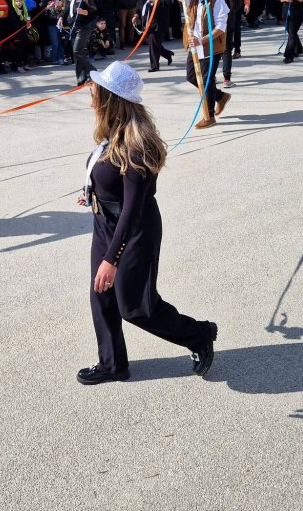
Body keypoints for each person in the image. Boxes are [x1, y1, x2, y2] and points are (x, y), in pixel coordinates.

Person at [76, 61, 218, 384]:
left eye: (95, 91)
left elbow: (132, 210)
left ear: (112, 99)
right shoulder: (112, 132)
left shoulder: (136, 146)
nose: (91, 97)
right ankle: (113, 364)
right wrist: (92, 191)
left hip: (134, 229)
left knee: (136, 307)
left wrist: (112, 259)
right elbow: (103, 173)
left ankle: (199, 335)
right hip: (105, 221)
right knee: (101, 294)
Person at [168, 0, 229, 129]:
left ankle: (209, 115)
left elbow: (221, 27)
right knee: (191, 76)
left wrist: (201, 40)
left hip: (210, 46)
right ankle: (220, 96)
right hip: (194, 45)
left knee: (207, 80)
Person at [64, 0, 96, 86]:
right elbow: (66, 11)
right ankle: (81, 77)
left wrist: (84, 12)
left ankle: (92, 71)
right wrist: (60, 18)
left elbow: (94, 11)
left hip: (84, 27)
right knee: (77, 53)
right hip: (72, 27)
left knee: (77, 51)